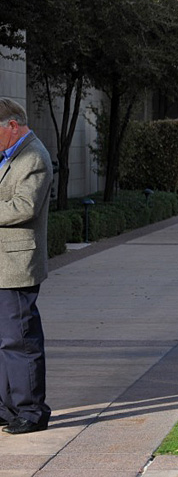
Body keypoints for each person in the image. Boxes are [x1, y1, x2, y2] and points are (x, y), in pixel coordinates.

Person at [0, 98, 52, 434]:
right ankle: (7, 408)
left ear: (12, 126)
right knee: (4, 341)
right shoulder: (10, 155)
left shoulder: (34, 156)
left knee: (20, 340)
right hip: (4, 263)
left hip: (17, 264)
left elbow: (24, 206)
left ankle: (32, 411)